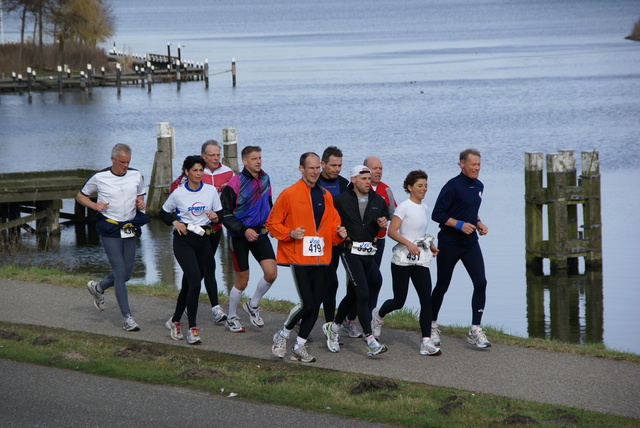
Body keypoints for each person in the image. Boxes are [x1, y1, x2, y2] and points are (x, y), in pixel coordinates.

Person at [266, 152, 347, 363]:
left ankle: (299, 346)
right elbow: (272, 224)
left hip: (321, 258)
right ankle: (282, 334)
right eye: (310, 168)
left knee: (316, 303)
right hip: (299, 257)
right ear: (301, 169)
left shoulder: (326, 196)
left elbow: (332, 227)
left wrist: (339, 234)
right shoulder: (289, 194)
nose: (315, 172)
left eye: (317, 168)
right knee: (307, 304)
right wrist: (290, 233)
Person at [78, 143, 148, 332]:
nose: (125, 165)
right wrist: (94, 206)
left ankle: (99, 287)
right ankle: (127, 317)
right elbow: (80, 196)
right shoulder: (100, 177)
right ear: (112, 160)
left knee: (126, 275)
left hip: (129, 227)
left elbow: (140, 195)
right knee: (119, 271)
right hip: (109, 228)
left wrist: (140, 203)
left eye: (128, 162)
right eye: (122, 162)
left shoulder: (136, 175)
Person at [371, 170, 442, 356]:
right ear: (409, 187)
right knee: (399, 301)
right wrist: (409, 244)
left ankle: (425, 342)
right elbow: (392, 231)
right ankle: (378, 316)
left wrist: (431, 245)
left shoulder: (424, 207)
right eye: (420, 186)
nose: (423, 189)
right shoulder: (403, 207)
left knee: (426, 299)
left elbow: (418, 233)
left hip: (420, 259)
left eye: (425, 185)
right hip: (402, 260)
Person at [322, 165, 389, 357]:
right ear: (353, 180)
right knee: (362, 293)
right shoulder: (340, 200)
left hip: (368, 251)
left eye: (369, 179)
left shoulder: (377, 200)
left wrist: (382, 224)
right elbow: (329, 221)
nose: (368, 181)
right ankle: (370, 340)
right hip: (349, 250)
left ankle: (333, 328)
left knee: (360, 289)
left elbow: (382, 220)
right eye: (364, 178)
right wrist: (337, 230)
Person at [430, 149, 491, 348]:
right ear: (462, 164)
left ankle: (475, 329)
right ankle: (431, 326)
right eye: (473, 164)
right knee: (442, 285)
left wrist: (479, 222)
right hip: (450, 242)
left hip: (470, 243)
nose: (477, 168)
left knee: (481, 282)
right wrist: (459, 225)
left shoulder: (479, 186)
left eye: (479, 165)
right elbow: (437, 214)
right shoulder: (452, 186)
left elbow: (471, 211)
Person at [161, 156, 224, 345]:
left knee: (190, 283)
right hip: (183, 240)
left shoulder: (211, 191)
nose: (198, 174)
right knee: (195, 281)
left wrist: (215, 217)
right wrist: (174, 221)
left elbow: (220, 214)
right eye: (195, 170)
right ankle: (193, 329)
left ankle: (175, 320)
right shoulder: (179, 193)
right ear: (187, 172)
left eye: (201, 170)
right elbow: (163, 213)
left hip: (204, 239)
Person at [169, 140, 234, 324]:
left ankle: (199, 307)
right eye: (211, 155)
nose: (215, 158)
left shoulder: (228, 172)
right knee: (203, 268)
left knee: (206, 267)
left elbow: (235, 195)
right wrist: (178, 221)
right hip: (193, 230)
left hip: (215, 227)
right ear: (203, 156)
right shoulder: (195, 173)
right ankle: (211, 308)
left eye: (218, 155)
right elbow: (175, 194)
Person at [221, 146, 277, 332]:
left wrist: (272, 224)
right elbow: (225, 214)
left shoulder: (266, 178)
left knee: (271, 273)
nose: (258, 161)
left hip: (260, 233)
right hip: (239, 236)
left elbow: (269, 204)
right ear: (245, 161)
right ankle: (231, 317)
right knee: (242, 281)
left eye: (260, 157)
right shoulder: (234, 183)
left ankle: (252, 305)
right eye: (254, 158)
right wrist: (243, 230)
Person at [316, 146, 361, 334]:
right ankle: (329, 325)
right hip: (321, 243)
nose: (337, 169)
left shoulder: (344, 185)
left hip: (342, 241)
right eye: (333, 165)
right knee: (329, 284)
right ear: (322, 164)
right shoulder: (314, 184)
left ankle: (343, 320)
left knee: (355, 283)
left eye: (340, 165)